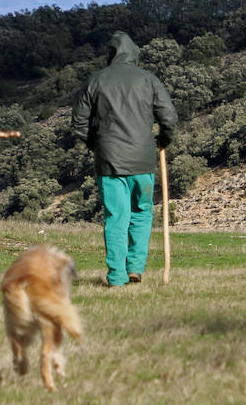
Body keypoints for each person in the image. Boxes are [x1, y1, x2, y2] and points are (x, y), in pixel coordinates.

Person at [70, 31, 178, 287]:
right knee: (141, 213)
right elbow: (170, 119)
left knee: (116, 217)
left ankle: (117, 276)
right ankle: (135, 268)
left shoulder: (96, 81)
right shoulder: (149, 80)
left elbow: (78, 123)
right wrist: (164, 140)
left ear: (111, 54)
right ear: (135, 54)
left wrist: (95, 146)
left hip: (109, 162)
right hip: (143, 160)